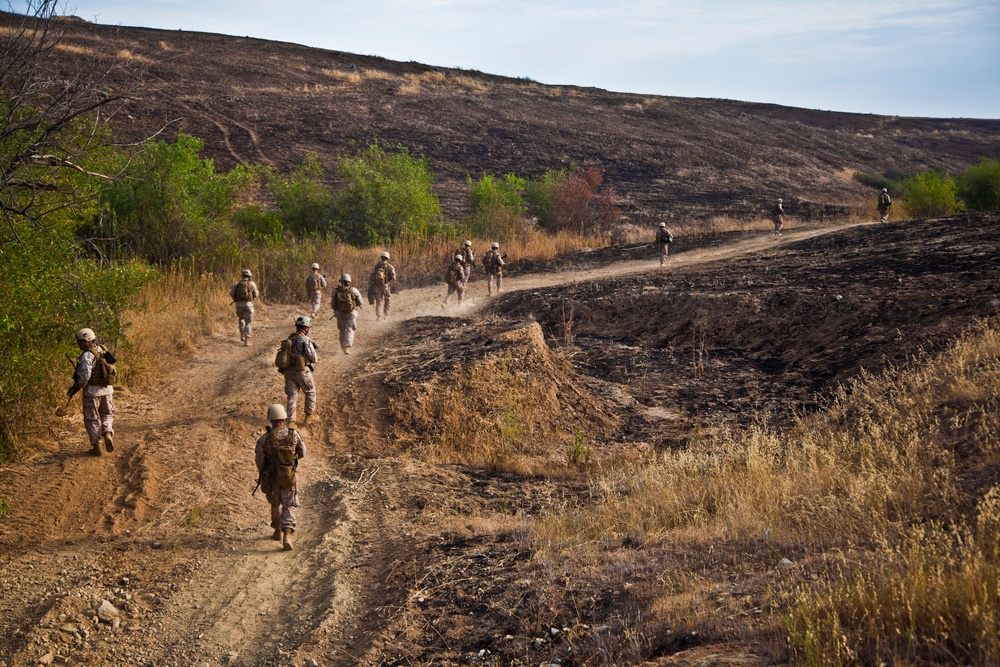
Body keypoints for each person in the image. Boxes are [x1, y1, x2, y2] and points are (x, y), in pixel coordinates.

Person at [255, 404, 306, 551]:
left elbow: (260, 459)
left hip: (272, 477)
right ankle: (287, 534)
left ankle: (277, 530)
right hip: (289, 476)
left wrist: (263, 473)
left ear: (270, 419)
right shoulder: (293, 434)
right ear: (283, 418)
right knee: (289, 504)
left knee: (275, 503)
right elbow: (302, 452)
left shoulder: (264, 439)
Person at [67, 328, 115, 456]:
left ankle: (96, 446)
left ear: (88, 340)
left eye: (81, 342)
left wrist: (76, 386)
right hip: (107, 389)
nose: (79, 344)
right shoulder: (103, 350)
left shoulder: (87, 356)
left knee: (92, 418)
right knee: (107, 413)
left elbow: (84, 377)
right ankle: (108, 433)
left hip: (92, 393)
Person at [280, 315, 318, 425]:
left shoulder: (290, 337)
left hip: (288, 372)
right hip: (300, 371)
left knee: (292, 396)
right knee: (310, 391)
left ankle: (291, 422)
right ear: (306, 328)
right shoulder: (304, 339)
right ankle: (309, 416)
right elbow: (313, 358)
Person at [331, 274, 363, 354]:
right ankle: (347, 347)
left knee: (342, 330)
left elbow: (332, 303)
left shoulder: (336, 291)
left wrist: (336, 310)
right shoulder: (354, 290)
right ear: (349, 281)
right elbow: (360, 301)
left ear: (341, 281)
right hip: (351, 313)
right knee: (349, 329)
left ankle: (342, 346)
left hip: (340, 313)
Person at [230, 269, 260, 346]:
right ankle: (247, 341)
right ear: (249, 276)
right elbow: (256, 295)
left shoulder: (237, 283)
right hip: (249, 305)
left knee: (241, 318)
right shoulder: (252, 283)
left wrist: (236, 298)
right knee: (248, 323)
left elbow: (231, 293)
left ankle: (241, 336)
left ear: (242, 276)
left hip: (239, 305)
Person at [367, 251, 396, 321]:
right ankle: (386, 315)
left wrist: (370, 285)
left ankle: (379, 317)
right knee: (388, 299)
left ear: (381, 258)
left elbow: (370, 276)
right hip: (386, 286)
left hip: (376, 286)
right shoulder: (389, 266)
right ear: (388, 258)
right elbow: (394, 277)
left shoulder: (376, 266)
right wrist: (392, 283)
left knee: (379, 301)